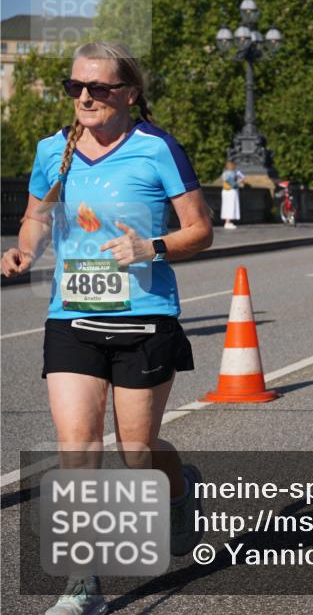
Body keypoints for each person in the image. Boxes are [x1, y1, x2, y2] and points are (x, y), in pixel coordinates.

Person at [0, 42, 213, 614]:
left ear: (129, 93)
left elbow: (200, 231)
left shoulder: (157, 148)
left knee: (137, 451)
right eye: (76, 88)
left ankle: (178, 487)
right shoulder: (54, 150)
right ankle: (82, 584)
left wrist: (153, 246)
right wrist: (22, 250)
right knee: (78, 448)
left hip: (145, 317)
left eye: (98, 88)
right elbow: (35, 217)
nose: (85, 97)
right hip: (70, 317)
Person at [220, 159, 244, 229]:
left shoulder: (224, 173)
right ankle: (228, 222)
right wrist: (239, 181)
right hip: (231, 191)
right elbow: (234, 184)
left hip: (225, 191)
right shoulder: (232, 173)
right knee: (230, 206)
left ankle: (227, 222)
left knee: (226, 206)